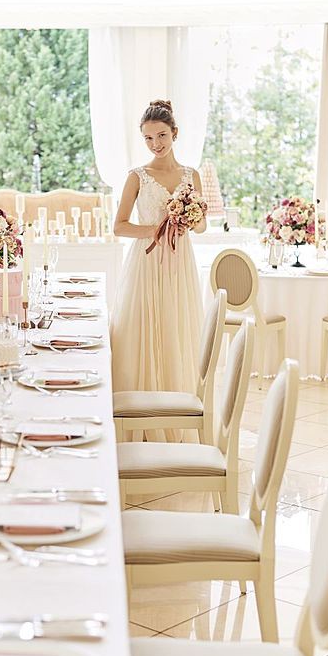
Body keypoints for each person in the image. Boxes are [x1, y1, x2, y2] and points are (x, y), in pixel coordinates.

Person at [110, 99, 206, 440]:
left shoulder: (191, 175)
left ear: (175, 133)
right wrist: (156, 229)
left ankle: (178, 414)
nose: (156, 144)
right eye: (149, 138)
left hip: (180, 265)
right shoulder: (136, 176)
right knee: (145, 329)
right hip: (146, 265)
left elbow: (202, 227)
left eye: (161, 135)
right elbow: (119, 226)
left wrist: (187, 217)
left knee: (175, 329)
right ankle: (140, 419)